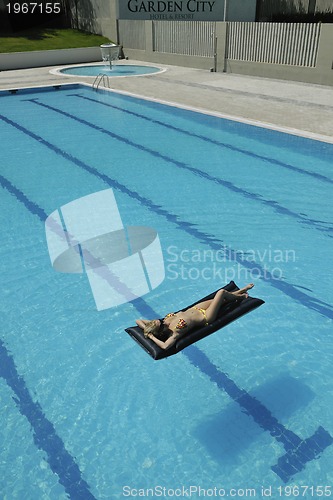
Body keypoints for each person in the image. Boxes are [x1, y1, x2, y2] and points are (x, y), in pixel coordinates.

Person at [136, 283, 254, 350]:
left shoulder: (163, 322)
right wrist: (152, 338)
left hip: (197, 308)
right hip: (206, 316)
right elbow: (165, 346)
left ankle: (238, 292)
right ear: (160, 329)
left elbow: (138, 321)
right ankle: (242, 296)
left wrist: (148, 333)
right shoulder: (175, 332)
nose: (156, 320)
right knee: (221, 293)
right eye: (156, 323)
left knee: (221, 300)